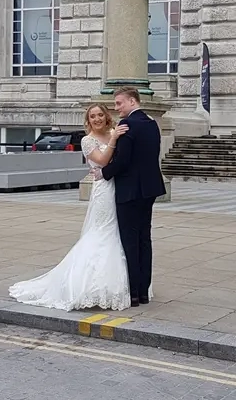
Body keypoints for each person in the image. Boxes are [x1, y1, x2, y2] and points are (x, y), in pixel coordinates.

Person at [8, 103, 133, 311]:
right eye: (92, 116)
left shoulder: (114, 132)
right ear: (88, 120)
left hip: (120, 187)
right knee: (102, 232)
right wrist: (113, 139)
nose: (97, 119)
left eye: (100, 115)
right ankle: (89, 285)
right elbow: (101, 161)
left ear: (106, 116)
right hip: (103, 190)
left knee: (117, 232)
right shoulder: (87, 140)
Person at [94, 86, 166, 307]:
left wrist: (103, 173)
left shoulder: (127, 125)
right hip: (150, 189)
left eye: (119, 103)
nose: (116, 109)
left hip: (129, 191)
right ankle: (144, 291)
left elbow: (123, 161)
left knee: (130, 241)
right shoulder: (152, 124)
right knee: (145, 239)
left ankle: (133, 293)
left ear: (132, 102)